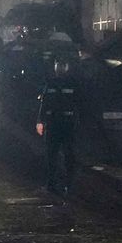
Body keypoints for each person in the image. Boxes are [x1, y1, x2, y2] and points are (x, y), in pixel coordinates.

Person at [36, 58, 81, 195]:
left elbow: (80, 104)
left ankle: (69, 185)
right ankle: (51, 184)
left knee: (69, 156)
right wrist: (40, 120)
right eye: (57, 65)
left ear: (67, 67)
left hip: (67, 123)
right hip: (54, 122)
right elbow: (45, 103)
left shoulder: (73, 83)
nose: (59, 67)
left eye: (62, 65)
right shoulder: (51, 83)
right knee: (51, 155)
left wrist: (78, 121)